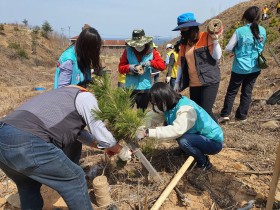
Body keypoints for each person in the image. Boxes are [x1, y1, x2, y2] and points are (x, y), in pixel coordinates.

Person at [0, 85, 132, 210]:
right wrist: (120, 150)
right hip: (26, 139)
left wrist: (104, 147)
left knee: (28, 185)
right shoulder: (85, 97)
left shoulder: (58, 98)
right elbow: (99, 130)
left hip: (4, 136)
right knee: (75, 178)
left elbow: (79, 134)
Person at [136, 82, 223, 170]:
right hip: (197, 136)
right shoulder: (170, 104)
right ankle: (187, 150)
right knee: (179, 135)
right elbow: (152, 117)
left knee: (184, 140)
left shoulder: (186, 109)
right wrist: (139, 127)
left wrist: (147, 132)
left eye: (156, 102)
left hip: (212, 141)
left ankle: (204, 163)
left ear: (164, 98)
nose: (155, 105)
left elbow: (176, 130)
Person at [218, 6, 266, 123]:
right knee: (247, 92)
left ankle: (225, 114)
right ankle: (242, 116)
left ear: (245, 17)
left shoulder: (239, 31)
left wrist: (236, 50)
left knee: (232, 91)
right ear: (259, 18)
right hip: (255, 67)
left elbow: (228, 48)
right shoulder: (263, 31)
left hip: (239, 67)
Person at [173, 12, 223, 122]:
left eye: (183, 29)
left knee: (206, 110)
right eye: (181, 29)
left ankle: (217, 134)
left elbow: (217, 56)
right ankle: (204, 136)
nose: (181, 32)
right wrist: (177, 82)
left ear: (192, 27)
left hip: (209, 81)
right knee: (196, 111)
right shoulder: (184, 43)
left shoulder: (205, 37)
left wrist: (215, 40)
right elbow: (181, 63)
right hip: (194, 83)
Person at [118, 29, 166, 111]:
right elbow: (120, 68)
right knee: (126, 112)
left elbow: (162, 66)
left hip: (145, 89)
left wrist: (151, 63)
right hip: (130, 88)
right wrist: (130, 67)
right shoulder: (128, 51)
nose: (138, 47)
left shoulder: (152, 52)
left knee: (141, 114)